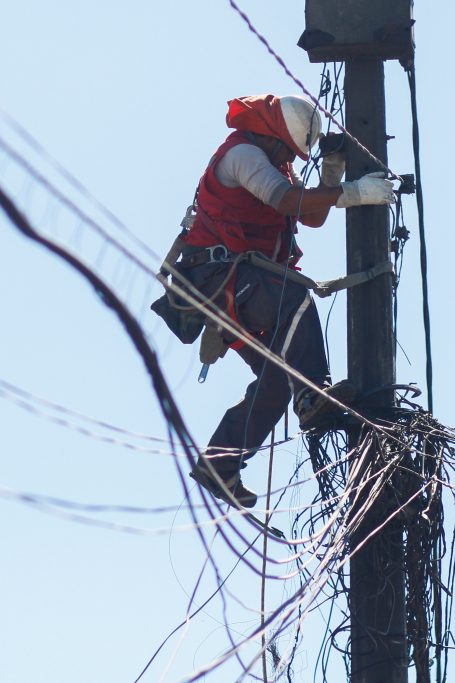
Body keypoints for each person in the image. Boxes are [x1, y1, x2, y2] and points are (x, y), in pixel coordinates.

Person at [173, 94, 394, 508]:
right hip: (222, 281)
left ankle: (219, 465)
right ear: (270, 134)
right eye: (286, 149)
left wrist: (332, 172)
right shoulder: (243, 156)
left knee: (277, 378)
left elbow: (309, 215)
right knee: (294, 298)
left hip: (241, 289)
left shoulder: (275, 165)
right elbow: (287, 201)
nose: (287, 158)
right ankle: (313, 395)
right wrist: (354, 192)